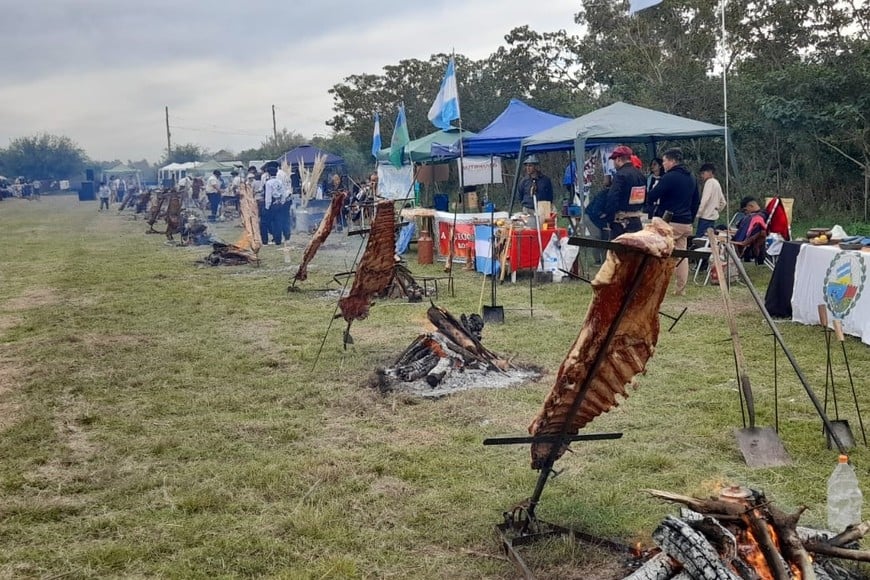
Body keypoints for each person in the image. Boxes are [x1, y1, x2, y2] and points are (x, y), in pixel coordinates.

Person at [645, 147, 700, 295]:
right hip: (686, 222)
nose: (663, 164)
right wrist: (690, 218)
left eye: (664, 161)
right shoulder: (691, 177)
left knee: (657, 251)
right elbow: (696, 201)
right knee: (682, 256)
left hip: (670, 222)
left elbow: (652, 195)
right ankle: (680, 289)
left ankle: (653, 286)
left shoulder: (669, 177)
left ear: (672, 161)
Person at [603, 145, 647, 238]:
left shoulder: (620, 175)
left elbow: (612, 197)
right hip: (636, 221)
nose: (614, 163)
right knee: (635, 250)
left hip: (621, 223)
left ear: (618, 159)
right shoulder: (640, 175)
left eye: (614, 160)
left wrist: (609, 218)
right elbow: (645, 197)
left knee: (618, 251)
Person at [584, 173, 612, 264]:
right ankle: (597, 260)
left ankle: (605, 260)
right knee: (597, 236)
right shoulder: (603, 195)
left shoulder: (613, 195)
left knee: (606, 237)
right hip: (590, 216)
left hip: (600, 218)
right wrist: (603, 214)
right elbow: (596, 211)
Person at [696, 163, 726, 238]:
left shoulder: (709, 182)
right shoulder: (717, 183)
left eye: (703, 173)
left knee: (699, 239)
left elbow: (705, 200)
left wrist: (698, 213)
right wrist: (715, 210)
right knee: (708, 239)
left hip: (705, 218)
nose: (702, 176)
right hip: (712, 218)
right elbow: (723, 202)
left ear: (710, 172)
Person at [264, 165, 287, 244]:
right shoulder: (280, 182)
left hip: (272, 204)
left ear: (269, 174)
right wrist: (282, 202)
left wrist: (267, 207)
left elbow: (268, 196)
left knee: (269, 222)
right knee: (278, 222)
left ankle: (270, 238)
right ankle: (278, 240)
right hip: (279, 203)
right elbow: (284, 193)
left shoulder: (268, 183)